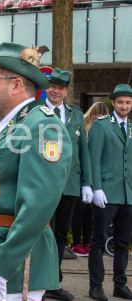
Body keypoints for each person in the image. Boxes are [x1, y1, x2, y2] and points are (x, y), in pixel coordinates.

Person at [0, 42, 72, 301]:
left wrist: (1, 267)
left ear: (16, 85)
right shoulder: (12, 125)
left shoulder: (42, 127)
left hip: (11, 266)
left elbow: (37, 207)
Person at [43, 68, 93, 301]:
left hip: (69, 185)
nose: (56, 90)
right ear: (48, 87)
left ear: (66, 90)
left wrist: (87, 184)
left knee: (61, 235)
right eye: (53, 86)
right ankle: (38, 282)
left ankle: (53, 283)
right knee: (44, 233)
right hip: (42, 184)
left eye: (61, 87)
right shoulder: (36, 112)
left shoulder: (75, 115)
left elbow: (84, 153)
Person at [87, 84, 132, 301]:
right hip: (105, 192)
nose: (124, 106)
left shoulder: (131, 128)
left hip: (127, 195)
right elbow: (93, 158)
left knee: (123, 243)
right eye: (121, 102)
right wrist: (96, 188)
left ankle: (119, 285)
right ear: (113, 103)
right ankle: (95, 286)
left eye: (128, 102)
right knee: (98, 241)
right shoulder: (102, 125)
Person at [72, 102, 109, 257]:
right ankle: (76, 243)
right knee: (79, 212)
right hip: (82, 175)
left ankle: (87, 242)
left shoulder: (106, 129)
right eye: (96, 117)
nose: (98, 120)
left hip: (98, 177)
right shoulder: (84, 129)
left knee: (91, 214)